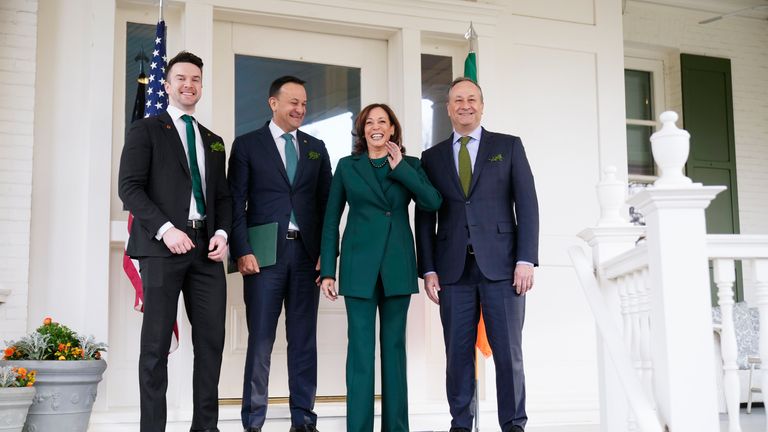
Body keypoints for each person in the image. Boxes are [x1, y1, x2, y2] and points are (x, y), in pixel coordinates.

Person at [415, 77, 539, 432]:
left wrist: (525, 259)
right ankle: (461, 424)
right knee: (457, 355)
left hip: (503, 268)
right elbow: (425, 217)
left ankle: (513, 424)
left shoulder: (509, 146)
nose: (465, 105)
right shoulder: (432, 157)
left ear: (482, 106)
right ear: (449, 108)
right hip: (453, 271)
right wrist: (429, 269)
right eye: (457, 100)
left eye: (471, 99)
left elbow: (527, 205)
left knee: (508, 355)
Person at [118, 51, 232, 432]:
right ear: (166, 86)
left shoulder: (214, 141)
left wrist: (221, 233)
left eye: (196, 79)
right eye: (181, 78)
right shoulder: (146, 130)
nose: (189, 84)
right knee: (154, 349)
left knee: (212, 343)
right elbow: (129, 189)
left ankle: (206, 427)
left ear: (201, 85)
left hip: (207, 253)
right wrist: (167, 228)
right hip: (162, 248)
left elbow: (223, 198)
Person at [319, 103, 442, 432]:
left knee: (394, 353)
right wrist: (328, 269)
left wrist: (400, 167)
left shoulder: (410, 165)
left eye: (382, 122)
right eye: (369, 122)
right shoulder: (347, 167)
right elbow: (331, 221)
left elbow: (433, 202)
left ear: (392, 130)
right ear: (362, 130)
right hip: (358, 270)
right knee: (360, 355)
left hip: (396, 268)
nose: (376, 127)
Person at [228, 76, 332, 432]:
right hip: (263, 257)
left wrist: (327, 255)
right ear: (273, 103)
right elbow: (235, 203)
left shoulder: (317, 147)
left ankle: (303, 421)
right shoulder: (246, 145)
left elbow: (327, 207)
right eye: (293, 102)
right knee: (260, 342)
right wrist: (242, 249)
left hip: (306, 257)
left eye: (304, 103)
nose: (300, 109)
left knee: (304, 341)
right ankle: (253, 422)